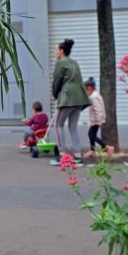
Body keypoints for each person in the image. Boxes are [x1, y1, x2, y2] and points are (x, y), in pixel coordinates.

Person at [50, 39, 91, 167]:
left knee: (58, 125)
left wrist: (55, 95)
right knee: (73, 127)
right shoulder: (74, 62)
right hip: (79, 98)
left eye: (56, 50)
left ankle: (61, 155)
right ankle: (78, 157)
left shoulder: (60, 62)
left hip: (67, 98)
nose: (55, 52)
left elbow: (56, 80)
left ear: (62, 51)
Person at [83, 77, 114, 159]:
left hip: (96, 120)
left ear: (89, 88)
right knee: (91, 134)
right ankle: (93, 151)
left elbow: (98, 109)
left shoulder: (93, 96)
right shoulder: (95, 95)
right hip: (96, 119)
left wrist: (99, 121)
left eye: (85, 90)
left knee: (92, 135)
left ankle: (107, 147)